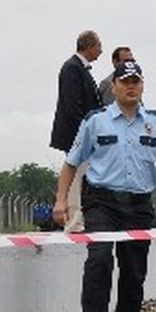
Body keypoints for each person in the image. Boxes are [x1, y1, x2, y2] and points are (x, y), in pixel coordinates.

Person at [53, 60, 156, 312]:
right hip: (102, 202)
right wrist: (61, 201)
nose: (131, 87)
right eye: (125, 81)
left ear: (142, 86)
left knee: (133, 272)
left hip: (139, 206)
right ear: (113, 86)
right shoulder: (96, 121)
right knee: (99, 259)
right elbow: (71, 162)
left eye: (136, 82)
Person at [50, 30, 104, 232]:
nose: (101, 51)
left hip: (80, 134)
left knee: (81, 178)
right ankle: (74, 222)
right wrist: (84, 135)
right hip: (77, 136)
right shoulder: (73, 68)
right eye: (99, 46)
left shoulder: (79, 68)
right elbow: (72, 106)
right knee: (75, 179)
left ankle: (79, 219)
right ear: (89, 46)